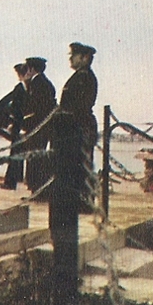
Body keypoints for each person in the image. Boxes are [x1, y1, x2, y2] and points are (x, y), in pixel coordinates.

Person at [59, 42, 99, 209]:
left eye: (73, 55)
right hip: (74, 126)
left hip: (80, 126)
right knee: (75, 166)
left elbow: (80, 106)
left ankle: (84, 203)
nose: (70, 58)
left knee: (82, 166)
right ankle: (77, 201)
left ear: (84, 58)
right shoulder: (79, 76)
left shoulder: (85, 78)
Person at [21, 56, 57, 197]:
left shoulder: (37, 84)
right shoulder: (44, 83)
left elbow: (35, 109)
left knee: (35, 157)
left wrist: (26, 124)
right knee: (36, 157)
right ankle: (36, 189)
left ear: (31, 69)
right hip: (42, 127)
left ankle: (36, 190)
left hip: (37, 127)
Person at [0, 63, 30, 189]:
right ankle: (15, 178)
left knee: (15, 152)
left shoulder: (22, 87)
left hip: (20, 125)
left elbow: (8, 100)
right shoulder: (24, 87)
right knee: (18, 152)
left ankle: (11, 182)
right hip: (21, 124)